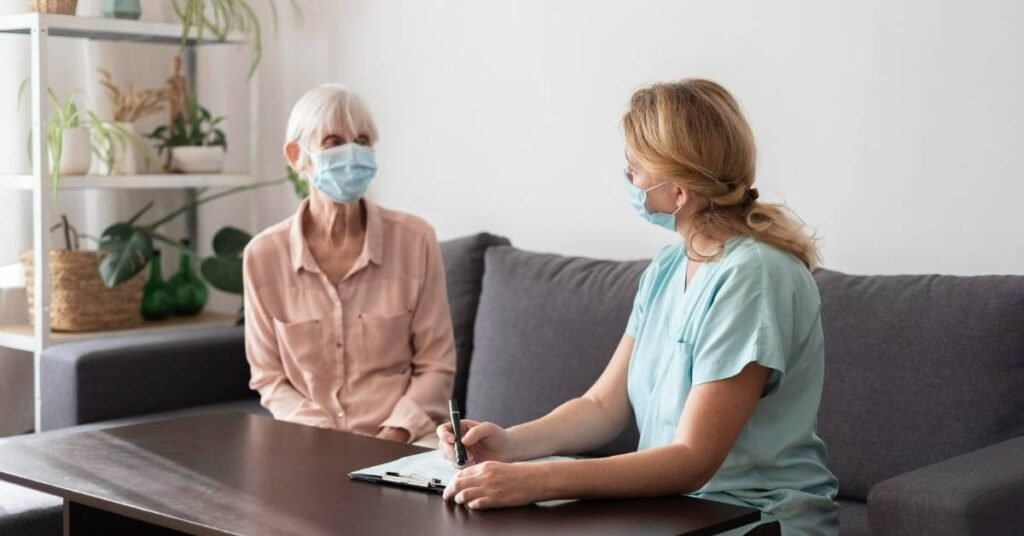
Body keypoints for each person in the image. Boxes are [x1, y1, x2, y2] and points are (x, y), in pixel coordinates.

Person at [438, 79, 839, 534]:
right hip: (673, 513)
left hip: (755, 518)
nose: (628, 179)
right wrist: (510, 445)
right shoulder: (670, 265)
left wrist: (536, 480)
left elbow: (692, 460)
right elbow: (601, 404)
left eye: (635, 169)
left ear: (680, 191)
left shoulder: (755, 277)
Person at [243, 84, 456, 444]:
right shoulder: (264, 256)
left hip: (405, 437)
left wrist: (393, 432)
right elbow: (269, 377)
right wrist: (325, 438)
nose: (352, 153)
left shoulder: (416, 240)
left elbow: (437, 365)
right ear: (298, 156)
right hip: (306, 438)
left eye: (362, 139)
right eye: (333, 142)